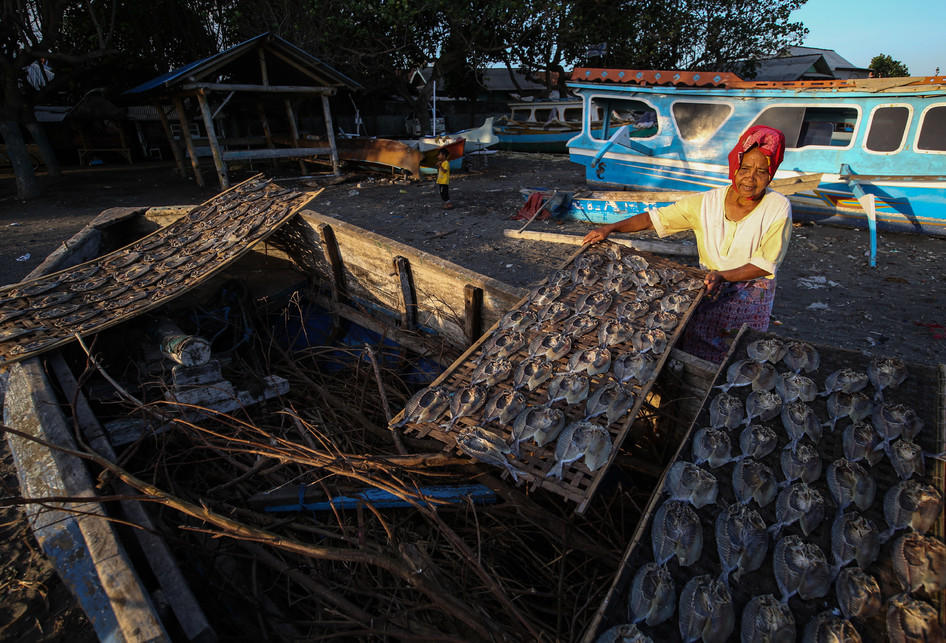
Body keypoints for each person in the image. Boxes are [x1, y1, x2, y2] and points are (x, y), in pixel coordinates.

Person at [582, 125, 792, 363]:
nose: (750, 179)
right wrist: (610, 228)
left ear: (770, 174)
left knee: (738, 355)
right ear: (735, 167)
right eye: (745, 168)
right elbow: (655, 219)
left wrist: (723, 275)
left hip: (751, 293)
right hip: (710, 285)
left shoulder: (778, 206)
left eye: (761, 172)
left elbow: (766, 264)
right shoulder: (706, 202)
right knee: (694, 346)